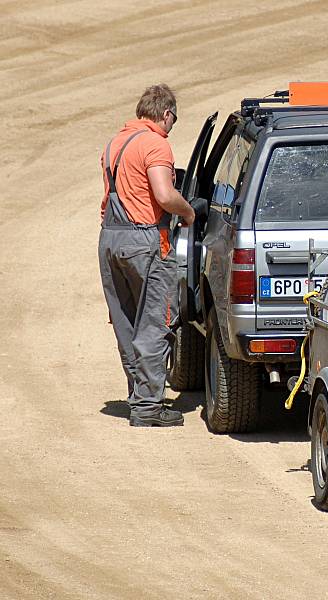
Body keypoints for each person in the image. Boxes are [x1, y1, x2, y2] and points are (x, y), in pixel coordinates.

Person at [98, 84, 195, 427]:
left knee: (126, 322)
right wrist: (188, 214)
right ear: (166, 114)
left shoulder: (115, 143)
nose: (172, 126)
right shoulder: (155, 144)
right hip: (144, 240)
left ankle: (137, 394)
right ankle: (148, 408)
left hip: (110, 240)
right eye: (174, 120)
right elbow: (165, 196)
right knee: (155, 320)